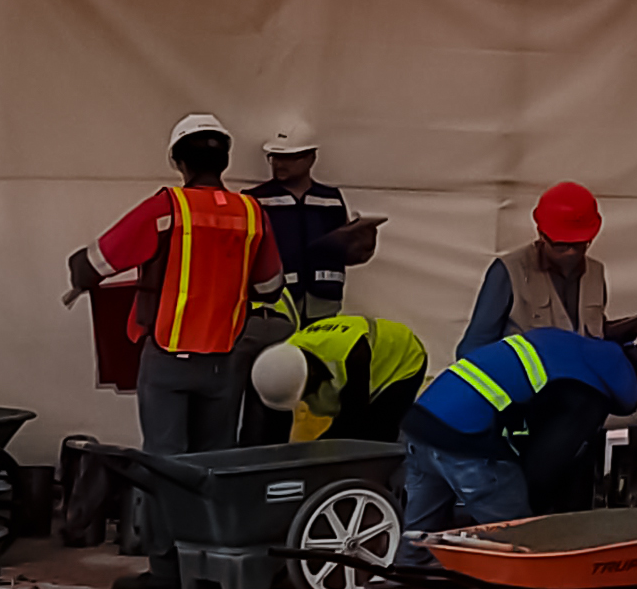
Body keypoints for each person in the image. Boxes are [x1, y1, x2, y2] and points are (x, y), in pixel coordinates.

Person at [70, 113, 284, 464]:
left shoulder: (167, 208)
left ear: (178, 161)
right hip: (224, 359)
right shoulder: (252, 213)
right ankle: (205, 521)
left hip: (170, 356)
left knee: (165, 463)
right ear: (225, 161)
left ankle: (162, 521)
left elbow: (93, 265)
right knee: (215, 462)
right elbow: (270, 287)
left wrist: (78, 273)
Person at [396, 323, 637, 536]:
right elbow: (545, 464)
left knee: (418, 537)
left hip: (422, 421)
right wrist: (543, 511)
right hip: (466, 437)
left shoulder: (567, 345)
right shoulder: (587, 395)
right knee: (518, 539)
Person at [458, 182, 637, 358]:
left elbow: (589, 335)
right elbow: (472, 349)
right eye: (561, 244)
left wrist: (633, 328)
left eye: (578, 244)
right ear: (541, 234)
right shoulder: (509, 271)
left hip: (580, 391)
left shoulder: (595, 274)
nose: (570, 252)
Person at [247, 127, 382, 326]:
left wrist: (362, 243)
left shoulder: (332, 199)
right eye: (275, 157)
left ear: (311, 158)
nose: (280, 164)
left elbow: (347, 254)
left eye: (290, 157)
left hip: (324, 300)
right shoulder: (255, 199)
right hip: (276, 303)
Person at [255, 314, 429, 442]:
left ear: (312, 375)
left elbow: (352, 420)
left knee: (377, 434)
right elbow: (274, 427)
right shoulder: (285, 359)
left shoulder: (352, 356)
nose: (305, 401)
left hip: (405, 358)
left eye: (304, 395)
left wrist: (314, 452)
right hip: (362, 350)